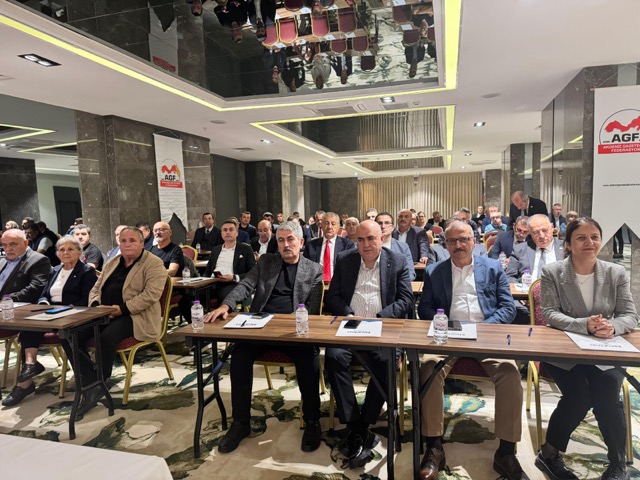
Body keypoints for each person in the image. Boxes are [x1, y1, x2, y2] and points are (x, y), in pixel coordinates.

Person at [417, 220, 526, 480]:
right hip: (448, 337)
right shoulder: (434, 271)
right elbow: (425, 309)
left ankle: (506, 452)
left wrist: (483, 328)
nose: (458, 245)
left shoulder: (493, 268)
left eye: (464, 239)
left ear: (474, 242)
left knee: (510, 373)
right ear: (445, 244)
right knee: (428, 369)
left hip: (486, 336)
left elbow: (508, 308)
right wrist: (447, 326)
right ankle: (434, 446)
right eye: (452, 241)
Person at [203, 221, 324, 454]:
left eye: (291, 239)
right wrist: (226, 305)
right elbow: (246, 285)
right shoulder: (267, 262)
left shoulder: (314, 269)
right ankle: (241, 423)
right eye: (281, 240)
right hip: (261, 327)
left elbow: (312, 310)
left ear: (301, 242)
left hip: (293, 332)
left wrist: (294, 324)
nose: (286, 245)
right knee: (239, 356)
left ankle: (312, 421)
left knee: (309, 359)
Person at [536, 217, 638, 480]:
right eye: (581, 237)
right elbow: (549, 313)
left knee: (607, 395)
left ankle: (618, 464)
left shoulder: (615, 273)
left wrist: (612, 326)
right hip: (564, 352)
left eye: (594, 237)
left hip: (603, 350)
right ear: (568, 244)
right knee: (579, 396)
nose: (589, 242)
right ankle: (548, 454)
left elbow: (629, 315)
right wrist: (584, 325)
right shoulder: (553, 272)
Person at [324, 220, 413, 469]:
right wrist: (347, 313)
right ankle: (355, 423)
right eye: (360, 240)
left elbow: (406, 299)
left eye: (371, 238)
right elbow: (333, 296)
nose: (365, 245)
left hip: (383, 327)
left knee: (386, 362)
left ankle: (362, 424)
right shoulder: (345, 260)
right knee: (333, 356)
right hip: (351, 326)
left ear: (382, 238)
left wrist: (380, 317)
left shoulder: (397, 261)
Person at [61, 227, 166, 416]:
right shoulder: (113, 262)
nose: (127, 244)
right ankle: (92, 381)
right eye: (123, 240)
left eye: (132, 240)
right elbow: (96, 287)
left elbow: (151, 295)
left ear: (142, 243)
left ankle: (100, 380)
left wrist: (121, 309)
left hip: (135, 316)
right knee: (68, 334)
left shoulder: (154, 263)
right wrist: (96, 305)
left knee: (106, 337)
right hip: (104, 313)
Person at [3, 236, 97, 407]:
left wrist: (67, 309)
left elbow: (87, 299)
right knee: (30, 327)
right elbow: (44, 294)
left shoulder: (86, 271)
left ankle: (88, 383)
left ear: (79, 252)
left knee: (68, 336)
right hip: (51, 314)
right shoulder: (55, 270)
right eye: (61, 249)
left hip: (75, 316)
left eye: (70, 249)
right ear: (57, 253)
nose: (65, 252)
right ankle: (28, 372)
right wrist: (44, 304)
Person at [204, 218, 256, 304]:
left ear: (237, 233)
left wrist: (234, 277)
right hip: (213, 282)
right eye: (225, 230)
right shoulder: (215, 249)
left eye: (231, 230)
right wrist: (202, 281)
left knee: (224, 295)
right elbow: (207, 271)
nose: (227, 232)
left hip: (233, 283)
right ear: (221, 233)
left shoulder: (246, 249)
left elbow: (253, 272)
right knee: (188, 298)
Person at [506, 214, 564, 283]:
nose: (542, 236)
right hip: (527, 289)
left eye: (545, 230)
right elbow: (510, 276)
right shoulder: (519, 249)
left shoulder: (566, 247)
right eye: (536, 232)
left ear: (552, 227)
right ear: (530, 232)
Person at [0, 228, 50, 303]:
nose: (8, 249)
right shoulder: (2, 261)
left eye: (13, 244)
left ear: (26, 243)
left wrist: (5, 299)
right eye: (4, 245)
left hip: (16, 305)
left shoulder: (39, 260)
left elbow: (35, 289)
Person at [303, 212, 355, 282]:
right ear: (321, 225)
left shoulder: (347, 245)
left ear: (338, 226)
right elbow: (304, 268)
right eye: (326, 223)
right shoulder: (311, 246)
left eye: (333, 224)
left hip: (338, 284)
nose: (329, 227)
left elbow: (350, 270)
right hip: (315, 284)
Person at [376, 212, 416, 281]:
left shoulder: (403, 247)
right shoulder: (367, 246)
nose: (383, 226)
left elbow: (410, 273)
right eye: (380, 223)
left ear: (392, 227)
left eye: (387, 223)